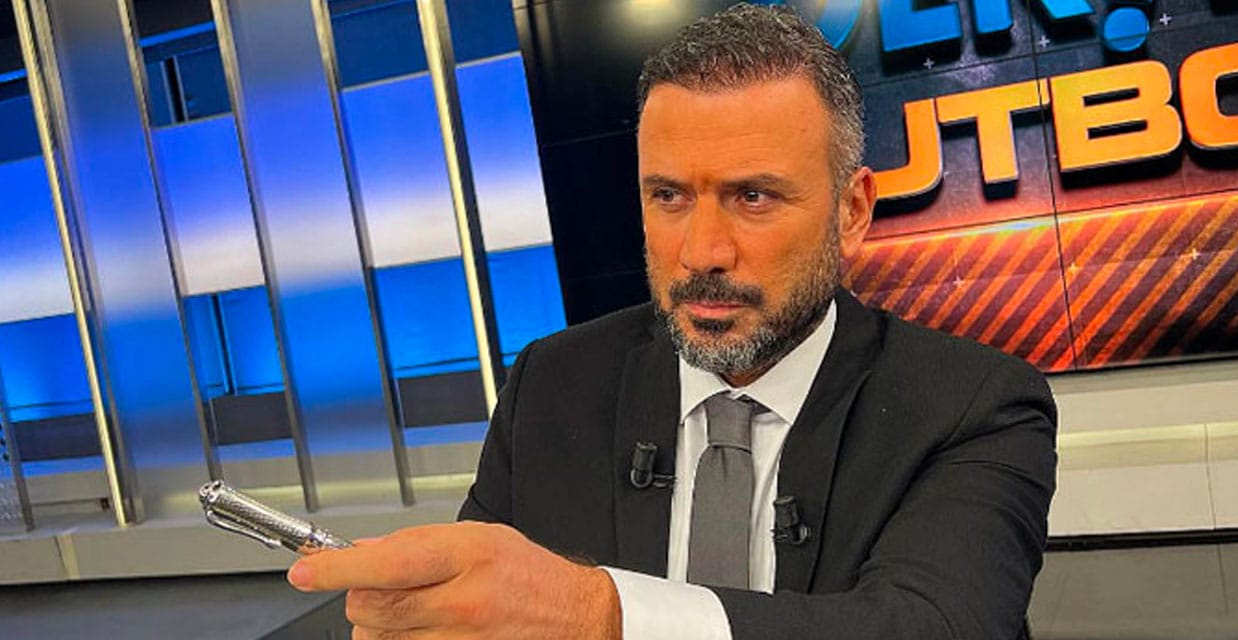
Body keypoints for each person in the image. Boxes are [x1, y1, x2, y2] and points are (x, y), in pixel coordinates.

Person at [285, 4, 1058, 639]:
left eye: (753, 197)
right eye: (669, 197)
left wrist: (596, 615)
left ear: (851, 212)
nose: (701, 252)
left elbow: (934, 626)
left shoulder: (975, 405)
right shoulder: (551, 384)